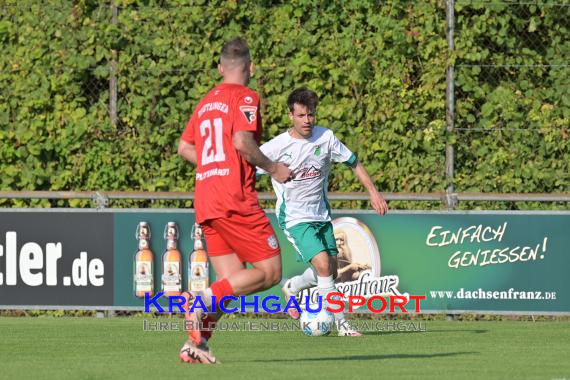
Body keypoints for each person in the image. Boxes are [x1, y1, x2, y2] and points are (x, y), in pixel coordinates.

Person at [177, 37, 292, 364]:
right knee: (270, 273)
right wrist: (273, 168)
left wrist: (214, 164)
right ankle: (198, 299)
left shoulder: (204, 102)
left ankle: (196, 344)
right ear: (251, 68)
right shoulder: (246, 97)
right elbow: (242, 142)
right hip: (234, 199)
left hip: (207, 199)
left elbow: (184, 148)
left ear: (219, 67)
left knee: (231, 283)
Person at [259, 87, 388, 336]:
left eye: (311, 115)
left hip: (321, 216)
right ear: (290, 116)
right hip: (295, 219)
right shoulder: (276, 147)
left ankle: (293, 286)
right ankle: (342, 326)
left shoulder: (325, 138)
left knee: (330, 268)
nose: (307, 121)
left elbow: (353, 162)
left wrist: (373, 192)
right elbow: (248, 169)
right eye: (301, 116)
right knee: (322, 265)